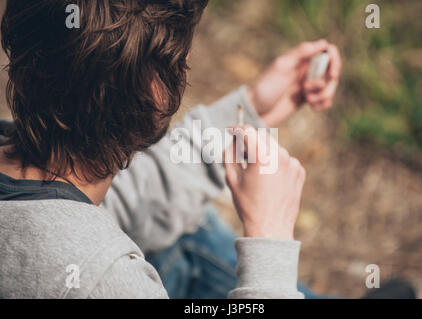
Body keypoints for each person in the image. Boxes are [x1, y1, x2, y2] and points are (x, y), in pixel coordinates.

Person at [0, 0, 341, 299]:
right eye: (180, 60)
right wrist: (270, 240)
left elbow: (128, 197)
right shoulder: (106, 282)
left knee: (190, 233)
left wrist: (252, 109)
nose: (186, 63)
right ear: (154, 91)